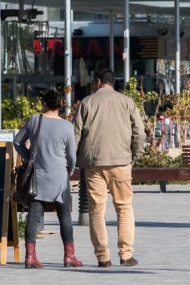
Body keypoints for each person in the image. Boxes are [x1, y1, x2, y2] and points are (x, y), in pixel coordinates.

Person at [73, 69, 146, 268]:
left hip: (93, 163)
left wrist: (73, 160)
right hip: (121, 161)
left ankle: (102, 257)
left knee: (97, 210)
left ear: (97, 82)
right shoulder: (126, 102)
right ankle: (126, 254)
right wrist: (134, 155)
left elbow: (75, 134)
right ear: (112, 82)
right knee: (124, 207)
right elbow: (139, 132)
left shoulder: (87, 103)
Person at [13, 89, 81, 269]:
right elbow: (72, 157)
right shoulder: (67, 126)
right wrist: (69, 171)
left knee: (33, 216)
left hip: (38, 176)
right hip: (59, 177)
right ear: (60, 105)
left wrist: (28, 157)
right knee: (65, 216)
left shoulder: (35, 120)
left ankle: (30, 256)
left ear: (44, 103)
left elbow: (17, 141)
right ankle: (69, 256)